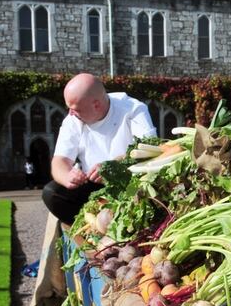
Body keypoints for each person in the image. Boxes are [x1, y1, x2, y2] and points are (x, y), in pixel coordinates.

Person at [42, 73, 157, 226]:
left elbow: (150, 150)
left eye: (75, 109)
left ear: (96, 105)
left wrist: (113, 167)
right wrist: (67, 177)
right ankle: (92, 228)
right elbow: (59, 160)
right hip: (93, 186)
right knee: (51, 193)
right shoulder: (73, 119)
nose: (70, 113)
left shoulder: (133, 109)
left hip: (132, 183)